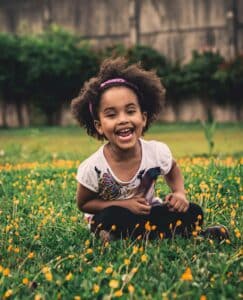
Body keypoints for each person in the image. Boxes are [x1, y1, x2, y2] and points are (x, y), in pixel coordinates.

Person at [71, 57, 229, 242]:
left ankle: (152, 236)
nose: (123, 119)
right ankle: (167, 236)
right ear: (99, 126)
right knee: (110, 217)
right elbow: (85, 204)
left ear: (143, 118)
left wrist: (179, 193)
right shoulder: (93, 166)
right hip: (115, 218)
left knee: (193, 211)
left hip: (149, 214)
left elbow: (172, 169)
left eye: (130, 111)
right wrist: (124, 204)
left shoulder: (156, 151)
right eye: (112, 114)